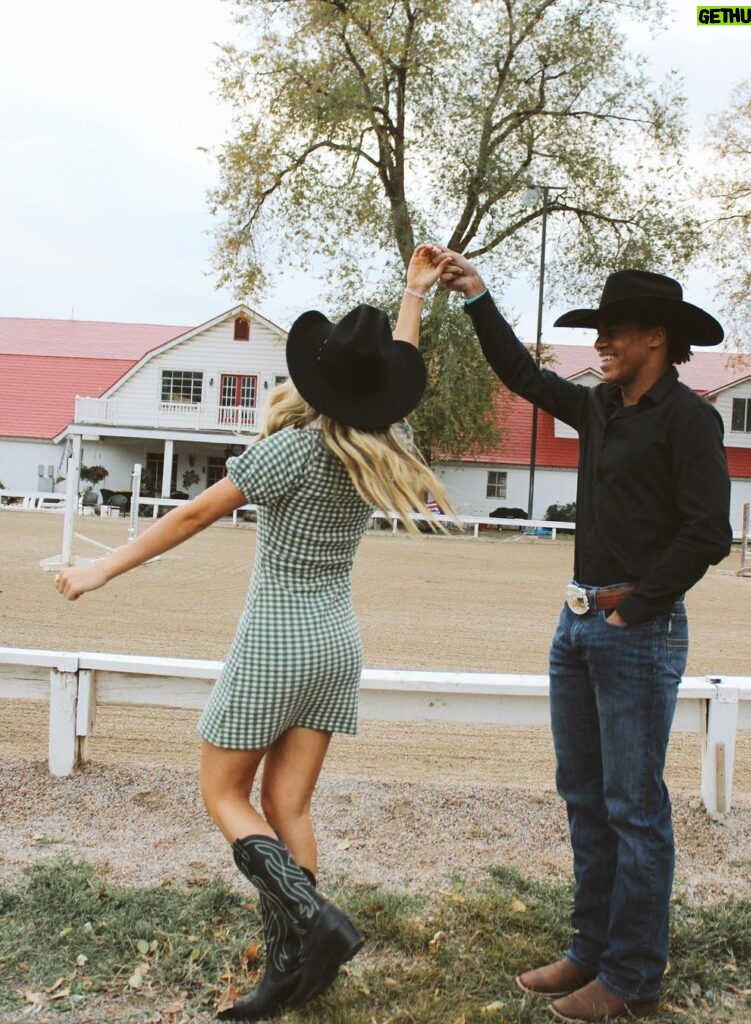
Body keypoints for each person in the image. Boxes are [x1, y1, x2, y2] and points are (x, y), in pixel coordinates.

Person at [54, 244, 456, 1020]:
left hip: (276, 640)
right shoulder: (376, 450)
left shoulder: (292, 451)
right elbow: (395, 372)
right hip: (337, 643)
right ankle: (296, 974)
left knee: (223, 793)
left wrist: (102, 569)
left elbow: (197, 512)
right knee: (289, 806)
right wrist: (413, 293)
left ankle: (312, 924)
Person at [436, 253, 732, 1023]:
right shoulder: (601, 407)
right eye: (597, 330)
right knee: (584, 799)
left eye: (613, 332)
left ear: (655, 339)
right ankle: (589, 951)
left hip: (637, 632)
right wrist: (477, 297)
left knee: (633, 808)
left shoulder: (689, 419)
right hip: (574, 626)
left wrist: (634, 609)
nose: (599, 342)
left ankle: (632, 978)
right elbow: (524, 378)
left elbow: (707, 533)